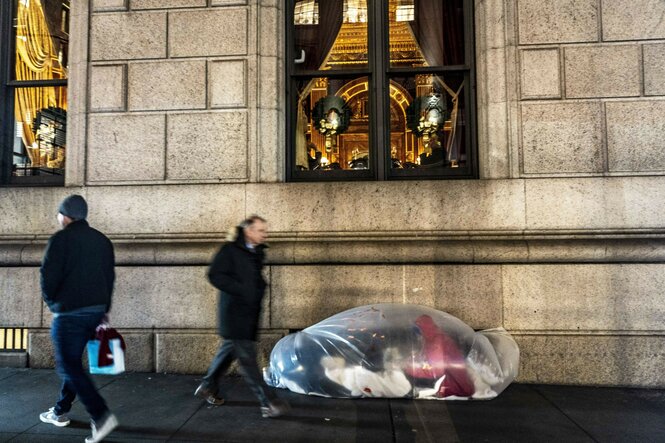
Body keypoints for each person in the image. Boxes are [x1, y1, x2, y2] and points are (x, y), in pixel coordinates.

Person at [39, 195, 118, 443]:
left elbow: (48, 277)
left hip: (69, 313)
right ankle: (60, 409)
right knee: (72, 364)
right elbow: (109, 277)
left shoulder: (60, 239)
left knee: (68, 365)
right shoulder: (102, 241)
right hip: (94, 312)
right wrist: (103, 308)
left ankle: (101, 415)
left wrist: (53, 303)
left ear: (65, 215)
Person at [195, 215, 289, 418]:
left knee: (229, 350)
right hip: (235, 314)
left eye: (265, 230)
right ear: (249, 231)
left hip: (248, 314)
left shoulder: (255, 252)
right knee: (248, 360)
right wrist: (241, 290)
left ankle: (207, 386)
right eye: (261, 230)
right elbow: (214, 275)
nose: (265, 234)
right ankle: (268, 402)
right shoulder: (230, 250)